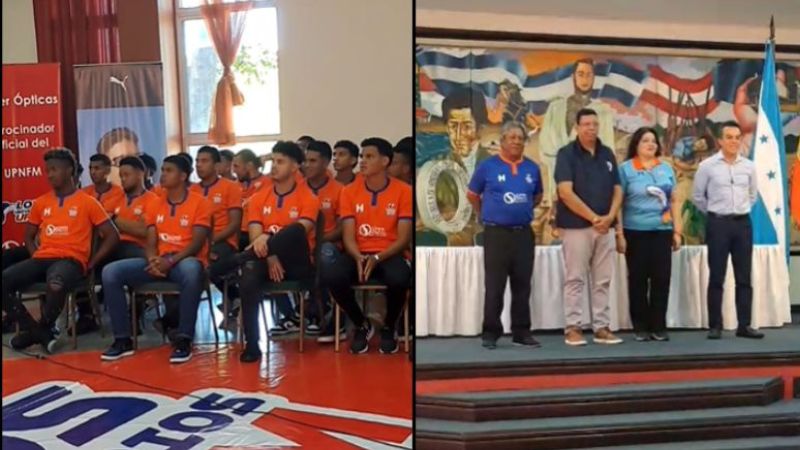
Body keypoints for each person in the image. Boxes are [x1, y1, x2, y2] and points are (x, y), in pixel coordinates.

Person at [2, 149, 119, 352]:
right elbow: (28, 236)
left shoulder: (88, 202)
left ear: (70, 170)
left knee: (56, 283)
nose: (50, 174)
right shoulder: (41, 202)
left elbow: (112, 235)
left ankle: (37, 332)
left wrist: (92, 262)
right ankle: (37, 332)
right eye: (47, 170)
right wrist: (34, 256)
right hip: (43, 257)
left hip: (70, 260)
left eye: (54, 169)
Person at [100, 155, 212, 363]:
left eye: (169, 170)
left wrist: (170, 261)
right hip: (160, 260)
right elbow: (150, 240)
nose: (163, 174)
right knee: (111, 272)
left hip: (185, 260)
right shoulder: (156, 203)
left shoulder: (200, 203)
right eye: (163, 169)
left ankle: (183, 338)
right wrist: (152, 259)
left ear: (183, 176)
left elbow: (196, 243)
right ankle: (123, 339)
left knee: (191, 270)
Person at [322, 138, 412, 354]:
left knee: (399, 278)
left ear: (385, 161)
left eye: (369, 156)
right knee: (333, 276)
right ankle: (361, 323)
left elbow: (403, 239)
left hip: (389, 253)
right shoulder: (349, 191)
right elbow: (348, 233)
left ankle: (390, 326)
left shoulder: (403, 191)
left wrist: (378, 258)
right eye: (362, 156)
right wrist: (358, 257)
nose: (362, 161)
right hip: (358, 253)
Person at [239, 141, 320, 362]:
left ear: (295, 167)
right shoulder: (258, 198)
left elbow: (302, 231)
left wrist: (269, 240)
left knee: (294, 231)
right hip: (265, 258)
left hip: (298, 262)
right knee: (248, 275)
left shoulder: (309, 197)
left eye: (280, 162)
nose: (274, 166)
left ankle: (237, 259)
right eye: (273, 161)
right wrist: (270, 254)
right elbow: (255, 235)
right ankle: (252, 343)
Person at [467, 122, 543, 349]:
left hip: (523, 234)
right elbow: (472, 195)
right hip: (496, 233)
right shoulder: (487, 166)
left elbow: (537, 197)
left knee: (522, 285)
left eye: (520, 138)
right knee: (495, 285)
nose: (516, 141)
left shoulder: (532, 168)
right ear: (502, 141)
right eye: (511, 137)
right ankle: (490, 333)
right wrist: (485, 214)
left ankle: (521, 332)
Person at [555, 108, 624, 346]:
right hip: (577, 227)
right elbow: (565, 192)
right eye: (586, 124)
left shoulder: (607, 154)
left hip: (606, 227)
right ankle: (573, 328)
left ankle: (601, 327)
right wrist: (594, 217)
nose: (591, 128)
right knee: (575, 278)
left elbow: (617, 189)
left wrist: (610, 217)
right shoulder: (566, 154)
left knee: (602, 280)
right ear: (577, 126)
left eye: (595, 124)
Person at [691, 121, 763, 340]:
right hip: (718, 224)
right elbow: (698, 198)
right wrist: (716, 213)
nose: (734, 141)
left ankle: (744, 325)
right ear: (720, 141)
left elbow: (753, 195)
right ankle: (715, 326)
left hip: (742, 224)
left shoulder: (749, 166)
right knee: (717, 276)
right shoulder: (707, 166)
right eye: (729, 137)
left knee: (744, 277)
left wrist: (739, 210)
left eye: (737, 137)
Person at [617, 127, 682, 342]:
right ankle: (640, 326)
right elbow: (618, 203)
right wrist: (619, 233)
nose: (650, 144)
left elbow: (674, 201)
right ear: (636, 144)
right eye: (645, 140)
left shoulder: (666, 169)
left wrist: (677, 231)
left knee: (661, 279)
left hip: (662, 232)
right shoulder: (626, 169)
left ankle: (658, 326)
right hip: (635, 232)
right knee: (637, 280)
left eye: (653, 141)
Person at [540, 59, 616, 220]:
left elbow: (608, 150)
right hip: (559, 186)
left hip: (593, 191)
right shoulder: (556, 108)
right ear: (573, 77)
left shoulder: (603, 111)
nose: (585, 79)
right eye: (581, 74)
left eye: (589, 75)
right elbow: (545, 145)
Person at [190, 146, 243, 330]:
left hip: (222, 242)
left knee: (206, 267)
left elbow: (234, 224)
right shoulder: (191, 190)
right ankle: (235, 298)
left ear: (217, 165)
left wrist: (210, 241)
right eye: (197, 161)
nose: (199, 165)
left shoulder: (231, 187)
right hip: (195, 244)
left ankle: (235, 297)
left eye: (204, 161)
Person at [304, 140, 347, 343]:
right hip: (300, 247)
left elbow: (342, 228)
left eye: (313, 161)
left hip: (328, 245)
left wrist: (318, 241)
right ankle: (295, 313)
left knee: (325, 255)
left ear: (326, 163)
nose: (307, 165)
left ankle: (326, 312)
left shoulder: (340, 190)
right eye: (305, 160)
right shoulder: (296, 189)